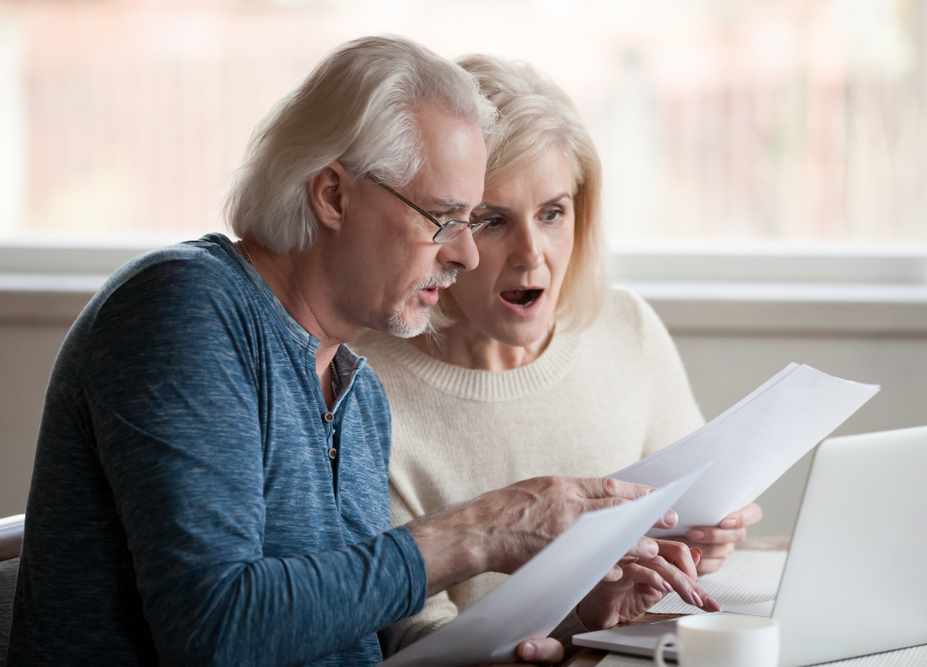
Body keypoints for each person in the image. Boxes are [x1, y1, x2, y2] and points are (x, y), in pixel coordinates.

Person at [7, 37, 691, 667]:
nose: (466, 252)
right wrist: (478, 531)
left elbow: (355, 642)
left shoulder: (355, 390)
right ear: (333, 194)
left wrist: (577, 623)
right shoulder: (184, 310)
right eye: (443, 218)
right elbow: (214, 631)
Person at [351, 54, 762, 655]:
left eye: (552, 213)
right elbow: (413, 637)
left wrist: (711, 538)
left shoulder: (626, 328)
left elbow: (685, 523)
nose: (531, 254)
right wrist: (565, 632)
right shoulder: (364, 385)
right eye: (492, 220)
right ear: (442, 225)